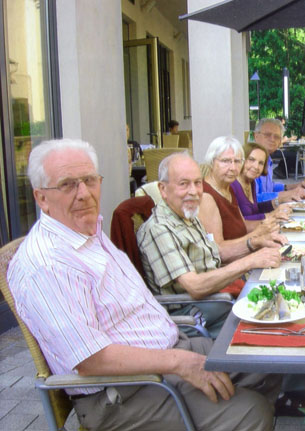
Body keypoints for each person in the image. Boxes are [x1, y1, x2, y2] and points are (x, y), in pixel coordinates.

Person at [7, 139, 278, 431]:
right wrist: (179, 362)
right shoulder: (47, 263)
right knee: (252, 412)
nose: (84, 193)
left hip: (170, 346)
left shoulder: (88, 234)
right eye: (68, 185)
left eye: (88, 180)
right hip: (123, 391)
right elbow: (90, 359)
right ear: (41, 198)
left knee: (266, 360)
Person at [137, 152, 282, 336]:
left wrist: (255, 244)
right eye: (184, 184)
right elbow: (195, 286)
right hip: (193, 315)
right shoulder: (159, 229)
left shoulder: (187, 216)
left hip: (215, 297)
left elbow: (216, 255)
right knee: (272, 324)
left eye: (197, 183)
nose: (194, 191)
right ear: (163, 189)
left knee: (279, 297)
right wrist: (251, 261)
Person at [199, 136, 288, 244]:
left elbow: (241, 224)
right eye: (225, 161)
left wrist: (267, 227)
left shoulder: (227, 187)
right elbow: (217, 250)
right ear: (211, 162)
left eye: (237, 161)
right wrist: (258, 236)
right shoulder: (207, 196)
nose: (233, 167)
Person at [232, 142, 292, 221]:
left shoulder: (251, 182)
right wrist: (271, 215)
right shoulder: (232, 185)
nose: (256, 166)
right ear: (241, 160)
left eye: (261, 163)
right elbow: (239, 222)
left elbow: (255, 210)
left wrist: (276, 204)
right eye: (251, 160)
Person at [254, 118, 305, 203]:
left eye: (277, 137)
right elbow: (253, 199)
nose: (272, 139)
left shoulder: (268, 160)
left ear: (279, 142)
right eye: (267, 135)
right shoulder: (250, 162)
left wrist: (288, 187)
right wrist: (284, 195)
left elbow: (268, 188)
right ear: (256, 136)